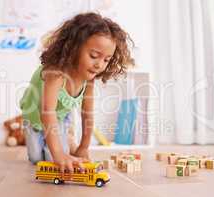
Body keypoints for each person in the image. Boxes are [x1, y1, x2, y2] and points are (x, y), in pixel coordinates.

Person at [20, 12, 134, 173]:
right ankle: (65, 142)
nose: (99, 65)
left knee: (52, 159)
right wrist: (59, 153)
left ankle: (68, 139)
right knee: (36, 158)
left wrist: (84, 147)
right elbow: (47, 112)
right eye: (94, 56)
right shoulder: (56, 73)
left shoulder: (89, 79)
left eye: (106, 60)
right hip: (34, 115)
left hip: (60, 116)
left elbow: (87, 113)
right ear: (74, 48)